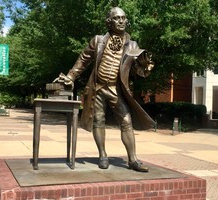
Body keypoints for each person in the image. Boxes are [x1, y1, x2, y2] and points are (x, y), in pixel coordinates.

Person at [56, 7, 155, 172]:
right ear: (109, 22)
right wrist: (71, 76)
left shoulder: (133, 45)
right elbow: (83, 59)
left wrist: (145, 66)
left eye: (124, 18)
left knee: (126, 121)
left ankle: (133, 160)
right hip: (98, 88)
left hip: (117, 89)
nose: (121, 21)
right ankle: (102, 155)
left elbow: (138, 71)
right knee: (98, 120)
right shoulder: (98, 40)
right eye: (117, 18)